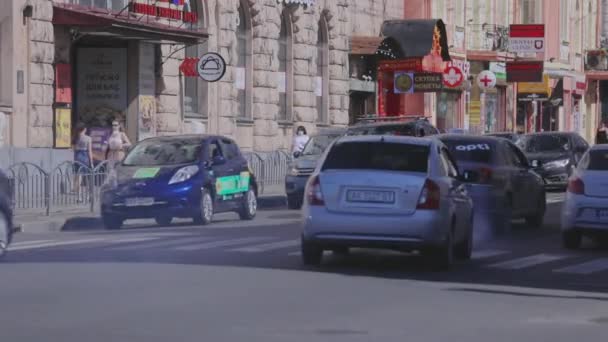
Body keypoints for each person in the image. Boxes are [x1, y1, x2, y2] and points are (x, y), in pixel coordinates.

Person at [72, 123, 93, 194]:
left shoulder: (75, 137)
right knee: (86, 175)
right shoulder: (88, 138)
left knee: (78, 175)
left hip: (77, 156)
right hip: (85, 156)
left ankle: (78, 193)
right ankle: (88, 193)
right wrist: (91, 162)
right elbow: (90, 151)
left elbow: (74, 149)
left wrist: (75, 159)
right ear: (84, 129)